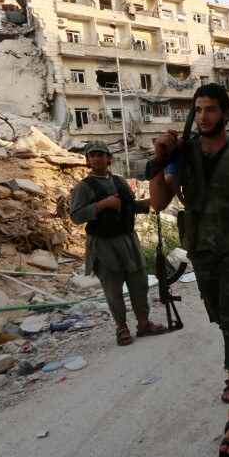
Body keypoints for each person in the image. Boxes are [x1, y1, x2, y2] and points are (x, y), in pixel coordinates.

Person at [149, 84, 229, 457]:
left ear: (226, 115)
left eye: (211, 110)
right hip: (201, 250)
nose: (203, 116)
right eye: (198, 110)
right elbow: (157, 202)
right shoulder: (182, 157)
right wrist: (158, 158)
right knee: (220, 315)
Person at [70, 141, 170, 346]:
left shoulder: (120, 181)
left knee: (139, 282)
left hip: (127, 239)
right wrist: (102, 205)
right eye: (93, 155)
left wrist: (151, 202)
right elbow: (76, 216)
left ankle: (143, 323)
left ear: (108, 158)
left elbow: (130, 206)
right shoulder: (83, 187)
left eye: (101, 154)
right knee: (113, 287)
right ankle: (121, 328)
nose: (97, 158)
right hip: (103, 244)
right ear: (88, 160)